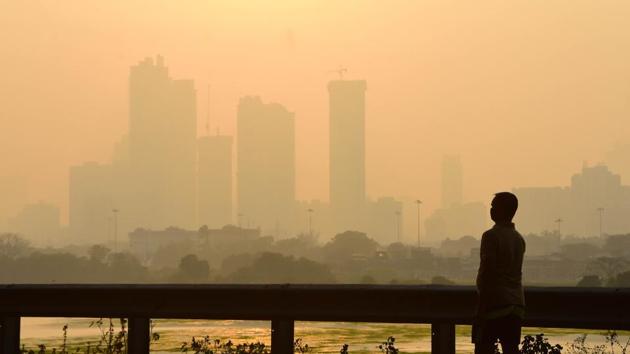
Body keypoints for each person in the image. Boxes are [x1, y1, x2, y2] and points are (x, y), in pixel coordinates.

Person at [473, 192, 526, 354]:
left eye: (494, 206)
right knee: (510, 349)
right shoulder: (518, 238)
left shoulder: (490, 236)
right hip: (516, 304)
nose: (491, 209)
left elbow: (488, 272)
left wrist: (481, 307)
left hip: (495, 304)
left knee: (483, 347)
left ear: (502, 210)